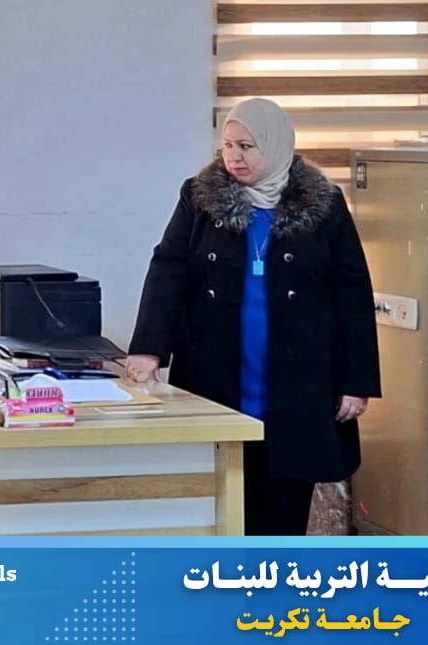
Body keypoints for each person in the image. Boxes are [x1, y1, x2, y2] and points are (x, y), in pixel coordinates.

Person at [125, 98, 380, 536]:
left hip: (298, 381)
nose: (234, 157)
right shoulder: (199, 198)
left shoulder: (324, 204)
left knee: (282, 510)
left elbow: (351, 292)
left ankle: (271, 578)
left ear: (275, 145)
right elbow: (169, 268)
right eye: (227, 145)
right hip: (218, 370)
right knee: (217, 507)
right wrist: (149, 349)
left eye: (246, 146)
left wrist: (355, 381)